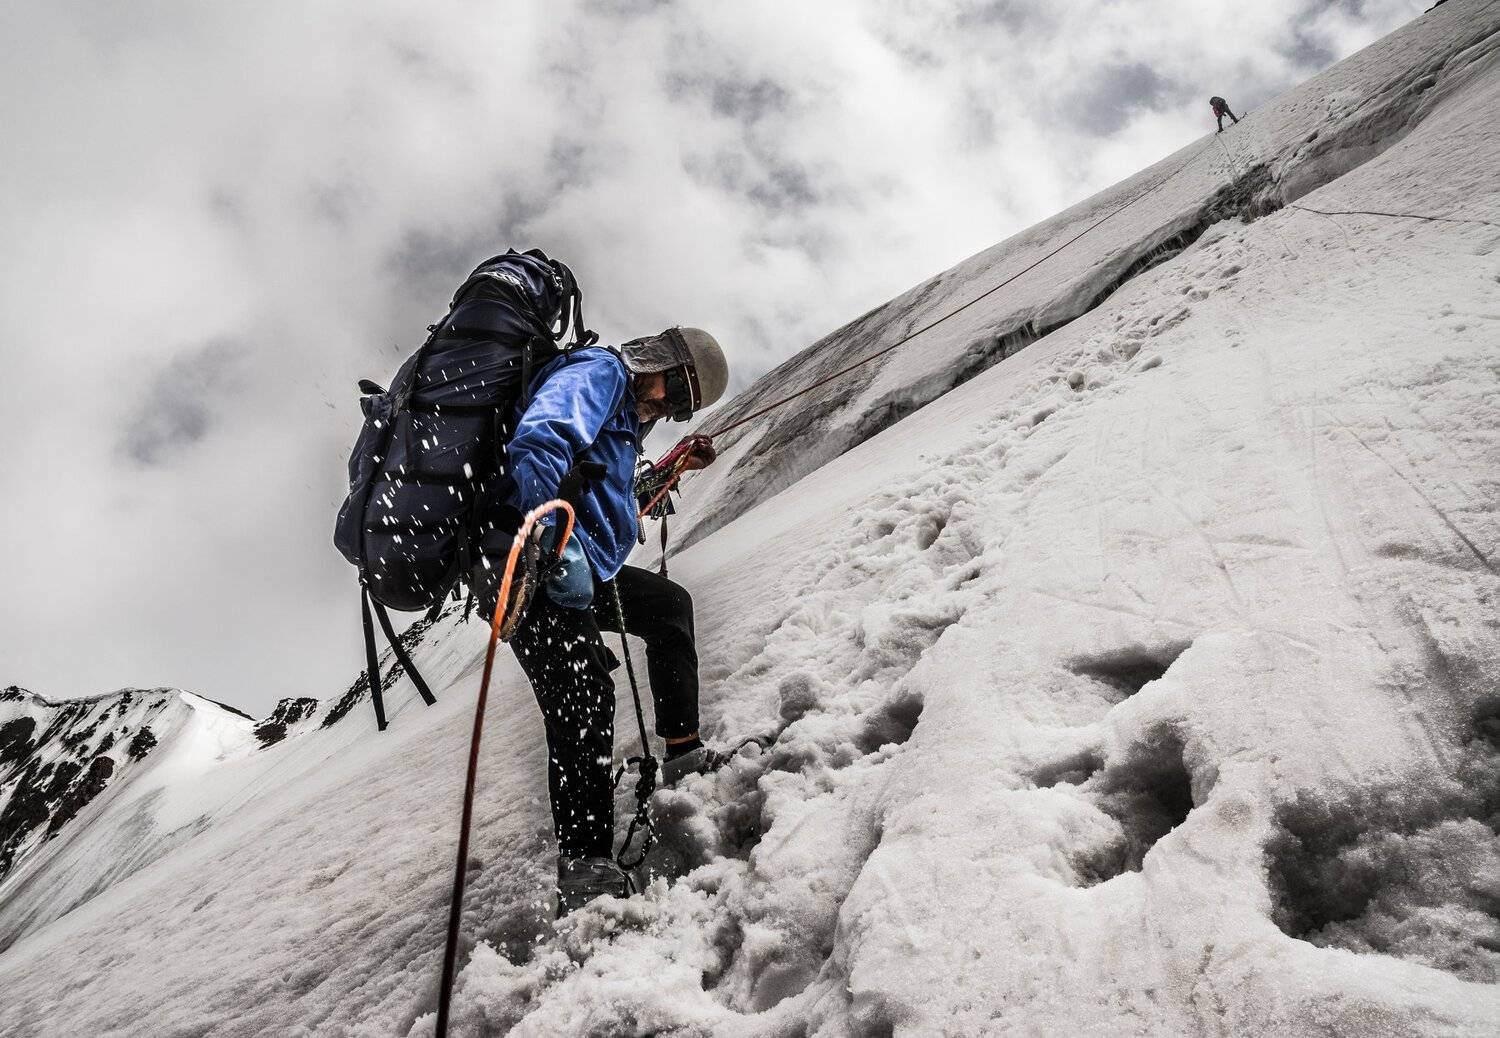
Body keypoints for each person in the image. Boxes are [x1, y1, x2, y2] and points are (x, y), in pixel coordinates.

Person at [468, 326, 730, 916]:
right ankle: (583, 864)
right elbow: (540, 442)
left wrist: (675, 469)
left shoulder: (623, 416)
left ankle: (683, 753)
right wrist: (554, 542)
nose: (667, 406)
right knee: (581, 692)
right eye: (675, 390)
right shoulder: (600, 374)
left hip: (581, 567)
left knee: (669, 610)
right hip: (529, 563)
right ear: (660, 360)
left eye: (681, 405)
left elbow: (613, 497)